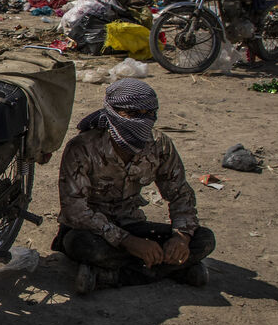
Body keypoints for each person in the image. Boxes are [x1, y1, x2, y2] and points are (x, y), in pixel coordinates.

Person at [53, 78, 215, 294]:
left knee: (203, 238)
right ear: (112, 112)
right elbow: (75, 211)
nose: (142, 121)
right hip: (94, 230)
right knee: (78, 243)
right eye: (132, 114)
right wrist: (128, 242)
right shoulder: (82, 147)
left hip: (131, 223)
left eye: (148, 114)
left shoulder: (160, 146)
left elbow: (180, 195)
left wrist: (181, 238)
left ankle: (109, 276)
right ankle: (174, 270)